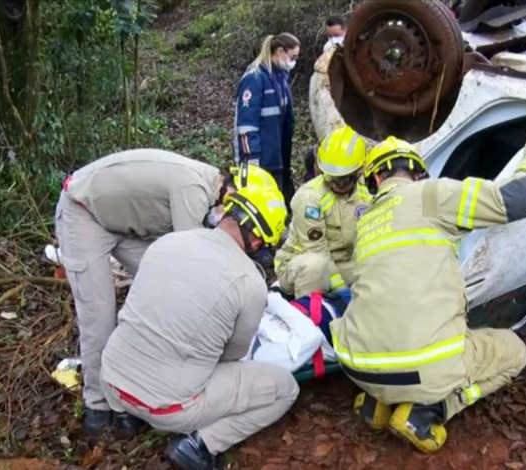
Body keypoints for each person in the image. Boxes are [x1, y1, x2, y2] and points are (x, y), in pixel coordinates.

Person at [330, 125, 526, 453]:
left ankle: (379, 401)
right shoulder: (433, 195)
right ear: (418, 175)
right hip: (425, 371)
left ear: (376, 181)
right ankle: (430, 411)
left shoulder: (364, 223)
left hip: (358, 367)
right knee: (514, 352)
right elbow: (524, 195)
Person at [55, 149, 272, 437]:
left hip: (123, 224)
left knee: (161, 282)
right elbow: (194, 264)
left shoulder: (206, 188)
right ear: (230, 192)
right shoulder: (193, 189)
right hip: (85, 214)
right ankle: (99, 403)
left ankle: (138, 386)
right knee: (99, 316)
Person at [100, 183, 298, 470]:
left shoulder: (169, 242)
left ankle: (125, 418)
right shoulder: (250, 283)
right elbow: (233, 355)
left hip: (112, 378)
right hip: (167, 406)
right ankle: (200, 445)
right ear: (258, 242)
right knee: (285, 389)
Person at [274, 126, 371, 297]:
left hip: (343, 262)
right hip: (302, 263)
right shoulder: (310, 199)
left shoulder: (365, 192)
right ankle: (308, 316)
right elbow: (317, 251)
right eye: (331, 177)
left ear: (359, 171)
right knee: (315, 266)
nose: (338, 184)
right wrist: (341, 290)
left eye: (345, 178)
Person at [233, 33, 301, 208]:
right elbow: (246, 124)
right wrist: (251, 158)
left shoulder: (280, 78)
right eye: (292, 57)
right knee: (258, 204)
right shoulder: (254, 78)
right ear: (279, 51)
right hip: (260, 157)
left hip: (276, 156)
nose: (294, 62)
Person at [245, 287, 350, 374]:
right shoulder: (262, 358)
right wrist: (273, 301)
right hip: (343, 320)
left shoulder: (245, 329)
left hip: (327, 300)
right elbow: (313, 337)